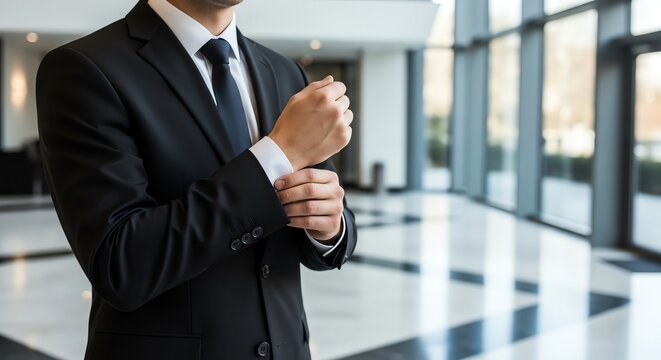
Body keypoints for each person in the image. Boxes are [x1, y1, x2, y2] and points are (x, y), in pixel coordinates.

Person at [35, 0, 357, 358]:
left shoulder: (284, 73)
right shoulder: (85, 68)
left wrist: (329, 227)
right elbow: (120, 265)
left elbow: (326, 217)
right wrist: (277, 155)